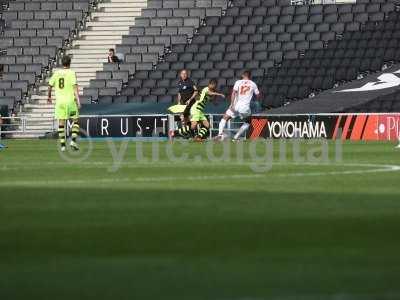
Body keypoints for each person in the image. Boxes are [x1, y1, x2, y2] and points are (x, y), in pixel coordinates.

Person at [48, 55, 81, 152]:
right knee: (76, 121)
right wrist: (78, 101)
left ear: (62, 63)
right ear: (70, 63)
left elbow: (50, 85)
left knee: (61, 124)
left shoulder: (57, 73)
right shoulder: (71, 73)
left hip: (60, 103)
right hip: (70, 101)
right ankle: (73, 141)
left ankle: (62, 145)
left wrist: (49, 97)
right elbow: (75, 88)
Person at [217, 70, 260, 141]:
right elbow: (258, 95)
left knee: (225, 117)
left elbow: (233, 93)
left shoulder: (238, 82)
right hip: (245, 107)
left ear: (243, 75)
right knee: (248, 121)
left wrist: (232, 104)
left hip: (236, 106)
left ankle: (220, 134)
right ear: (250, 76)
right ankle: (235, 137)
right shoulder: (253, 84)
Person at [175, 69, 198, 137]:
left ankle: (195, 133)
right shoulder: (180, 82)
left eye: (185, 74)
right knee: (185, 118)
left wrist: (190, 99)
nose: (184, 75)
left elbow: (196, 91)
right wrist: (179, 101)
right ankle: (191, 133)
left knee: (189, 117)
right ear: (180, 75)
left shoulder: (190, 82)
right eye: (182, 74)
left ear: (187, 74)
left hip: (191, 103)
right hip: (184, 103)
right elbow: (179, 93)